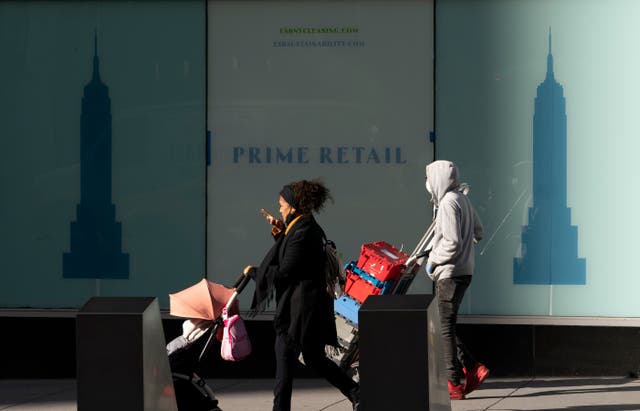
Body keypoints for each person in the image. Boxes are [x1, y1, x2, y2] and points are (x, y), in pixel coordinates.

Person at [243, 179, 360, 411]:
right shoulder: (301, 227)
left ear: (294, 206)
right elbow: (296, 258)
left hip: (298, 312)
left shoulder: (303, 232)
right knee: (315, 358)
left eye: (281, 204)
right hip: (309, 308)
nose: (279, 208)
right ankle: (358, 394)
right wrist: (280, 232)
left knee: (284, 360)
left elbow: (286, 271)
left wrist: (255, 272)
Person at [424, 160, 490, 400]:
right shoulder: (462, 199)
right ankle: (472, 367)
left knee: (443, 329)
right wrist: (465, 247)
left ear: (438, 179)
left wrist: (434, 260)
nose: (427, 184)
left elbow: (451, 242)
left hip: (449, 274)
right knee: (447, 325)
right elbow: (478, 231)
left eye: (428, 179)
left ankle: (454, 383)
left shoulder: (448, 203)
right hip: (464, 271)